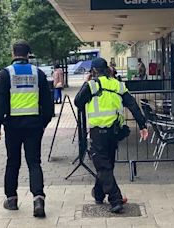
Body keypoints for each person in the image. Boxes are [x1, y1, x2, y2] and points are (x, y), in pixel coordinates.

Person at [74, 58, 149, 213]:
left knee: (103, 166)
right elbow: (132, 104)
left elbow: (78, 102)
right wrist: (142, 124)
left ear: (93, 71)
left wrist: (86, 83)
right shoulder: (117, 84)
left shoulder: (92, 85)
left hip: (98, 133)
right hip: (114, 132)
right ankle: (99, 193)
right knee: (107, 164)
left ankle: (116, 199)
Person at [0, 40, 54, 218]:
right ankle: (38, 199)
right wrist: (43, 123)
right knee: (34, 162)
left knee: (13, 161)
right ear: (28, 54)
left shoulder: (5, 74)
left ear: (13, 53)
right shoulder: (38, 74)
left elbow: (0, 102)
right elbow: (48, 104)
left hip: (12, 125)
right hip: (34, 125)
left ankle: (11, 199)